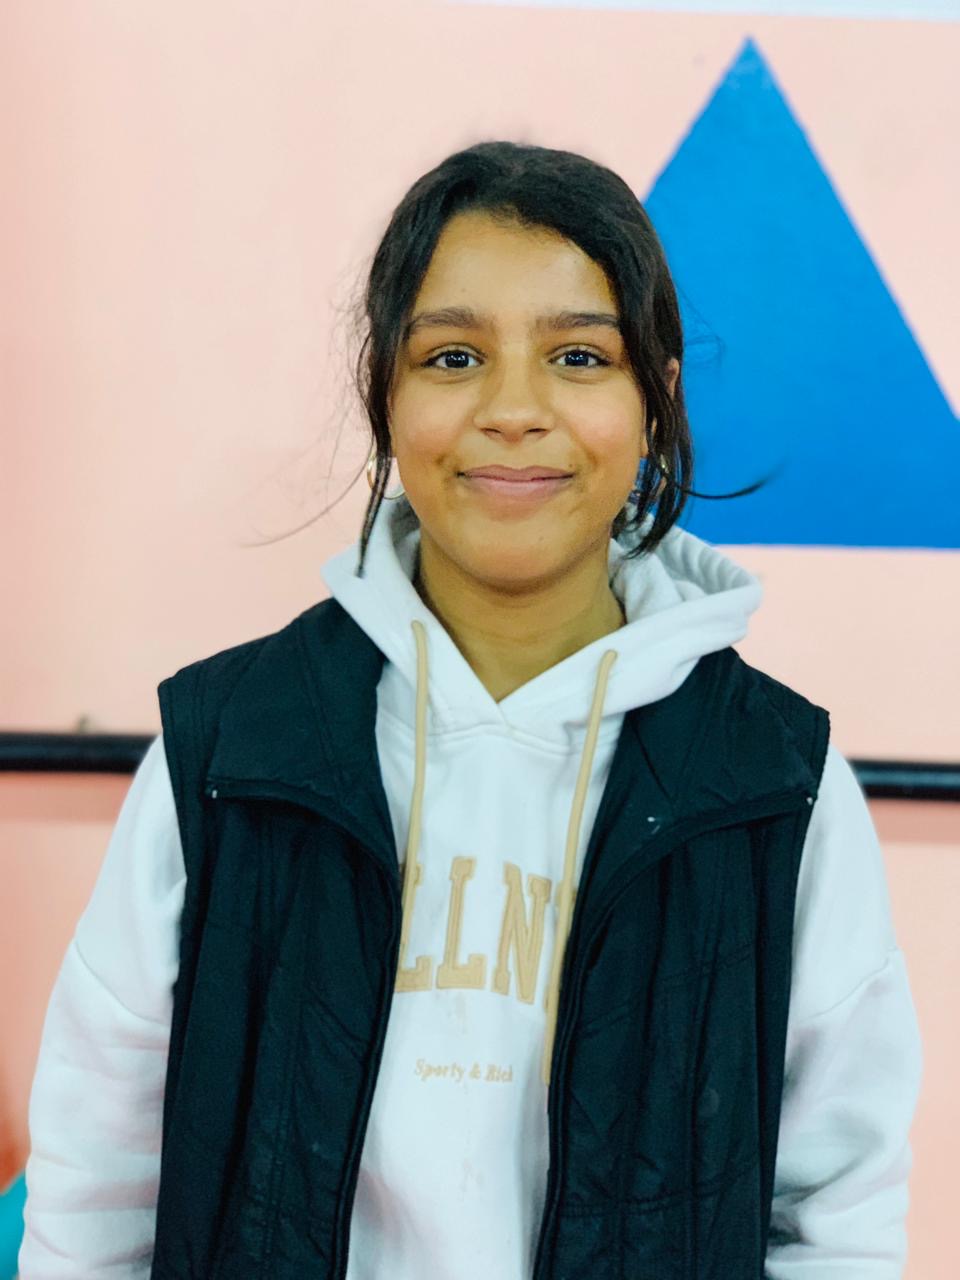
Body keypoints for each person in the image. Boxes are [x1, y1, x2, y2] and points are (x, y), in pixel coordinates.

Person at [18, 141, 922, 1279]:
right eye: (453, 355)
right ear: (385, 395)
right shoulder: (228, 749)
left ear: (656, 399)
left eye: (579, 356)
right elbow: (98, 1185)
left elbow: (835, 1214)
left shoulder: (776, 781)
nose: (513, 409)